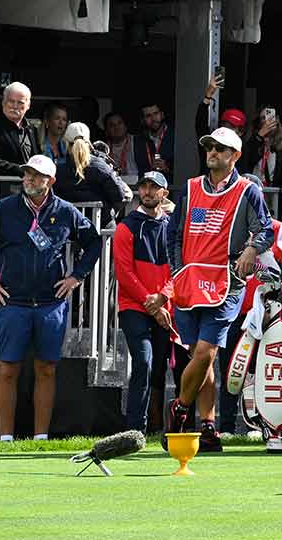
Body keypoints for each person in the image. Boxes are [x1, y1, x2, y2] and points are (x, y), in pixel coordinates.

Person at [0, 154, 102, 441]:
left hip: (51, 304)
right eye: (27, 173)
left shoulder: (65, 211)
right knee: (7, 369)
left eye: (36, 175)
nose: (29, 179)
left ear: (50, 181)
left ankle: (41, 438)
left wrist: (77, 277)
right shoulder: (4, 208)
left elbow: (93, 242)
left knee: (46, 369)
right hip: (12, 303)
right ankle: (6, 439)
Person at [162, 127, 273, 452]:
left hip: (227, 283)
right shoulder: (191, 187)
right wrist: (177, 271)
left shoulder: (247, 191)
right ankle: (209, 426)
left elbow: (265, 229)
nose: (212, 152)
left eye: (220, 148)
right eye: (209, 146)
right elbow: (173, 234)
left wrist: (251, 249)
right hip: (190, 282)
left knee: (206, 351)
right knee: (200, 357)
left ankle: (179, 408)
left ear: (235, 155)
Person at [113, 172, 173, 436]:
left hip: (162, 306)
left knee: (158, 367)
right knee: (143, 361)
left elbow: (179, 269)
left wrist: (163, 298)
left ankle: (156, 426)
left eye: (153, 187)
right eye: (143, 186)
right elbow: (124, 273)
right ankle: (135, 428)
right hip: (134, 306)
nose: (147, 191)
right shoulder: (126, 227)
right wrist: (154, 304)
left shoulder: (172, 227)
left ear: (164, 193)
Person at [0, 81, 41, 177]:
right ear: (3, 102)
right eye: (11, 101)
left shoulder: (32, 129)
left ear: (28, 105)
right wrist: (20, 170)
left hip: (28, 185)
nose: (15, 106)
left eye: (20, 102)